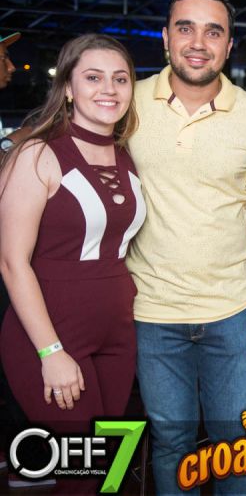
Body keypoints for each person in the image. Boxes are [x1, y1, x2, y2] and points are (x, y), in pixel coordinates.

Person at [125, 0, 246, 495]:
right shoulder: (128, 102)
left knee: (235, 445)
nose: (198, 42)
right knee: (172, 441)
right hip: (151, 310)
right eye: (186, 28)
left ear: (229, 45)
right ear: (165, 38)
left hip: (231, 311)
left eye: (213, 31)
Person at [0, 33, 144, 494]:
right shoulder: (37, 153)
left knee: (109, 474)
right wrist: (50, 352)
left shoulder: (126, 156)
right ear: (67, 87)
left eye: (120, 79)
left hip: (118, 338)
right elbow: (11, 262)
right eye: (93, 77)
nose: (109, 89)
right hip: (52, 339)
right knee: (83, 479)